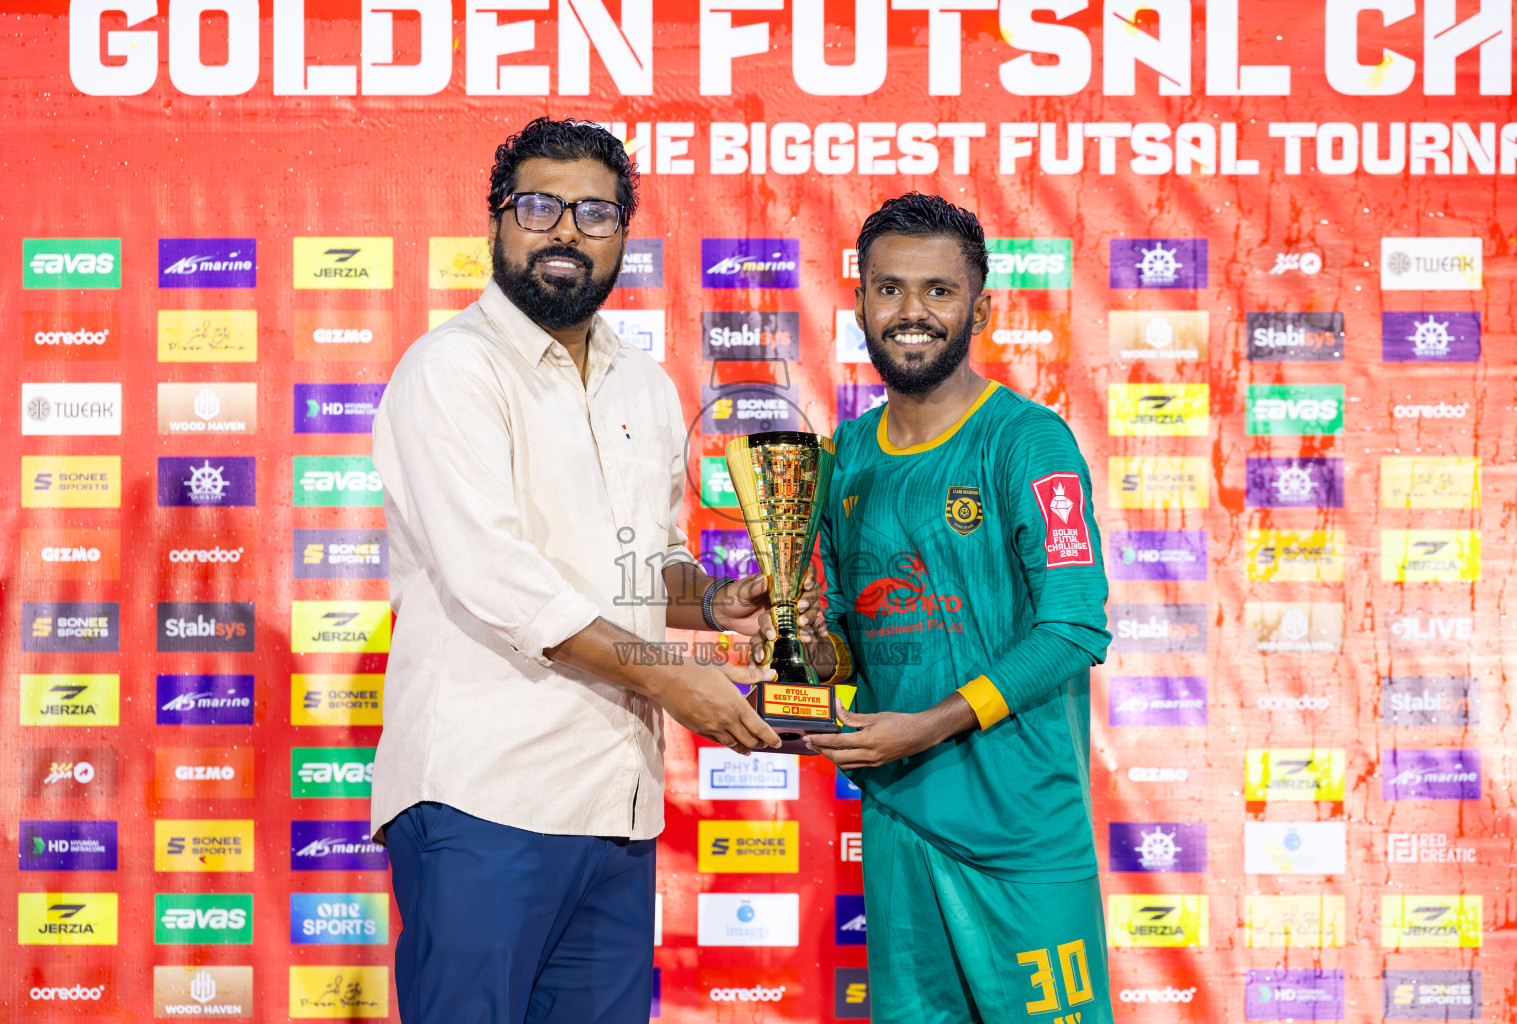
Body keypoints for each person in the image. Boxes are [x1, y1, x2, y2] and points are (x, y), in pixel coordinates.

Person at [369, 117, 806, 1024]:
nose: (566, 230)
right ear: (497, 221)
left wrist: (714, 603)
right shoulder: (450, 371)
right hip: (484, 799)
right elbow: (498, 577)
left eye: (595, 213)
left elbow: (645, 565)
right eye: (540, 206)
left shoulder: (643, 383)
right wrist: (679, 686)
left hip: (616, 804)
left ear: (622, 236)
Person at [802, 193, 1115, 1023]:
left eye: (939, 292)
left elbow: (1075, 625)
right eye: (889, 289)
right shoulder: (845, 457)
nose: (912, 312)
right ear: (861, 302)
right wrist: (799, 634)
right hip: (903, 823)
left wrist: (929, 724)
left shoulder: (1027, 442)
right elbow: (839, 644)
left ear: (981, 307)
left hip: (1022, 837)